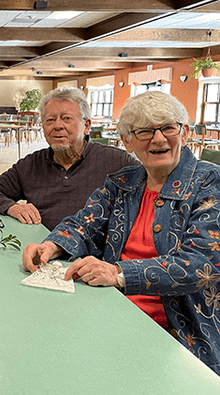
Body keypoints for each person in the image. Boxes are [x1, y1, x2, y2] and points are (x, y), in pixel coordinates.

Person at [23, 91, 220, 375]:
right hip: (109, 309)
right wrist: (51, 245)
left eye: (168, 127)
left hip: (179, 330)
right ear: (127, 141)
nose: (159, 139)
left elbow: (201, 264)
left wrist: (117, 273)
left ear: (185, 133)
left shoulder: (210, 183)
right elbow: (85, 222)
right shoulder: (124, 182)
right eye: (145, 131)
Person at [0, 87, 135, 230]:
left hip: (93, 258)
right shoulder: (31, 164)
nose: (57, 126)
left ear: (86, 126)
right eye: (50, 120)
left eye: (67, 118)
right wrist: (11, 207)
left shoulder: (117, 161)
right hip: (42, 250)